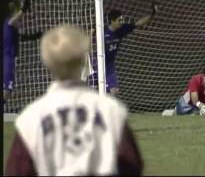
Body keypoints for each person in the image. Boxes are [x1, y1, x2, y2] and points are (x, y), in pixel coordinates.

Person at [5, 25, 143, 176]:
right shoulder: (111, 110)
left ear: (47, 62)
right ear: (84, 59)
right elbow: (131, 164)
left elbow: (17, 170)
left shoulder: (30, 119)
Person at [89, 4, 158, 96]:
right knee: (90, 89)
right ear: (112, 21)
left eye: (122, 20)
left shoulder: (121, 30)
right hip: (98, 63)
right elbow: (89, 34)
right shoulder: (101, 31)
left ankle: (101, 105)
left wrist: (152, 14)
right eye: (119, 20)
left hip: (109, 65)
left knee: (114, 90)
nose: (121, 22)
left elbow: (138, 23)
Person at [3, 0, 42, 101]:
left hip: (10, 59)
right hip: (7, 59)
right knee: (7, 90)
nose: (20, 20)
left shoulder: (12, 28)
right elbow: (21, 13)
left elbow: (23, 37)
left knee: (8, 90)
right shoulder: (9, 22)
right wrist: (26, 4)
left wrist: (36, 36)